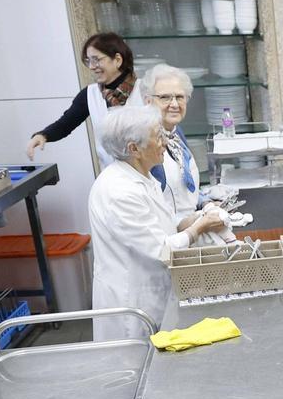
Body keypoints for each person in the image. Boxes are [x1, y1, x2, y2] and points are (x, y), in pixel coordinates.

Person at [88, 106, 226, 341]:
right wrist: (198, 228)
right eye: (157, 137)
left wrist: (188, 220)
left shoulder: (141, 175)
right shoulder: (120, 191)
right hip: (132, 301)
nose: (164, 142)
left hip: (151, 290)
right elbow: (161, 250)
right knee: (135, 367)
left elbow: (156, 221)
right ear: (134, 149)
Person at [27, 33, 142, 169]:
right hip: (114, 177)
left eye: (96, 59)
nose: (92, 66)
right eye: (88, 61)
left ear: (117, 60)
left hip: (153, 176)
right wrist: (43, 135)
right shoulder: (89, 94)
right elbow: (65, 124)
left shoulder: (146, 90)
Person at [140, 64, 203, 226]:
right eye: (165, 97)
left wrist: (205, 203)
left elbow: (183, 190)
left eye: (180, 97)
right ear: (147, 101)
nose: (174, 104)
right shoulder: (144, 144)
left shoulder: (177, 132)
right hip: (168, 237)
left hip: (190, 228)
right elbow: (149, 207)